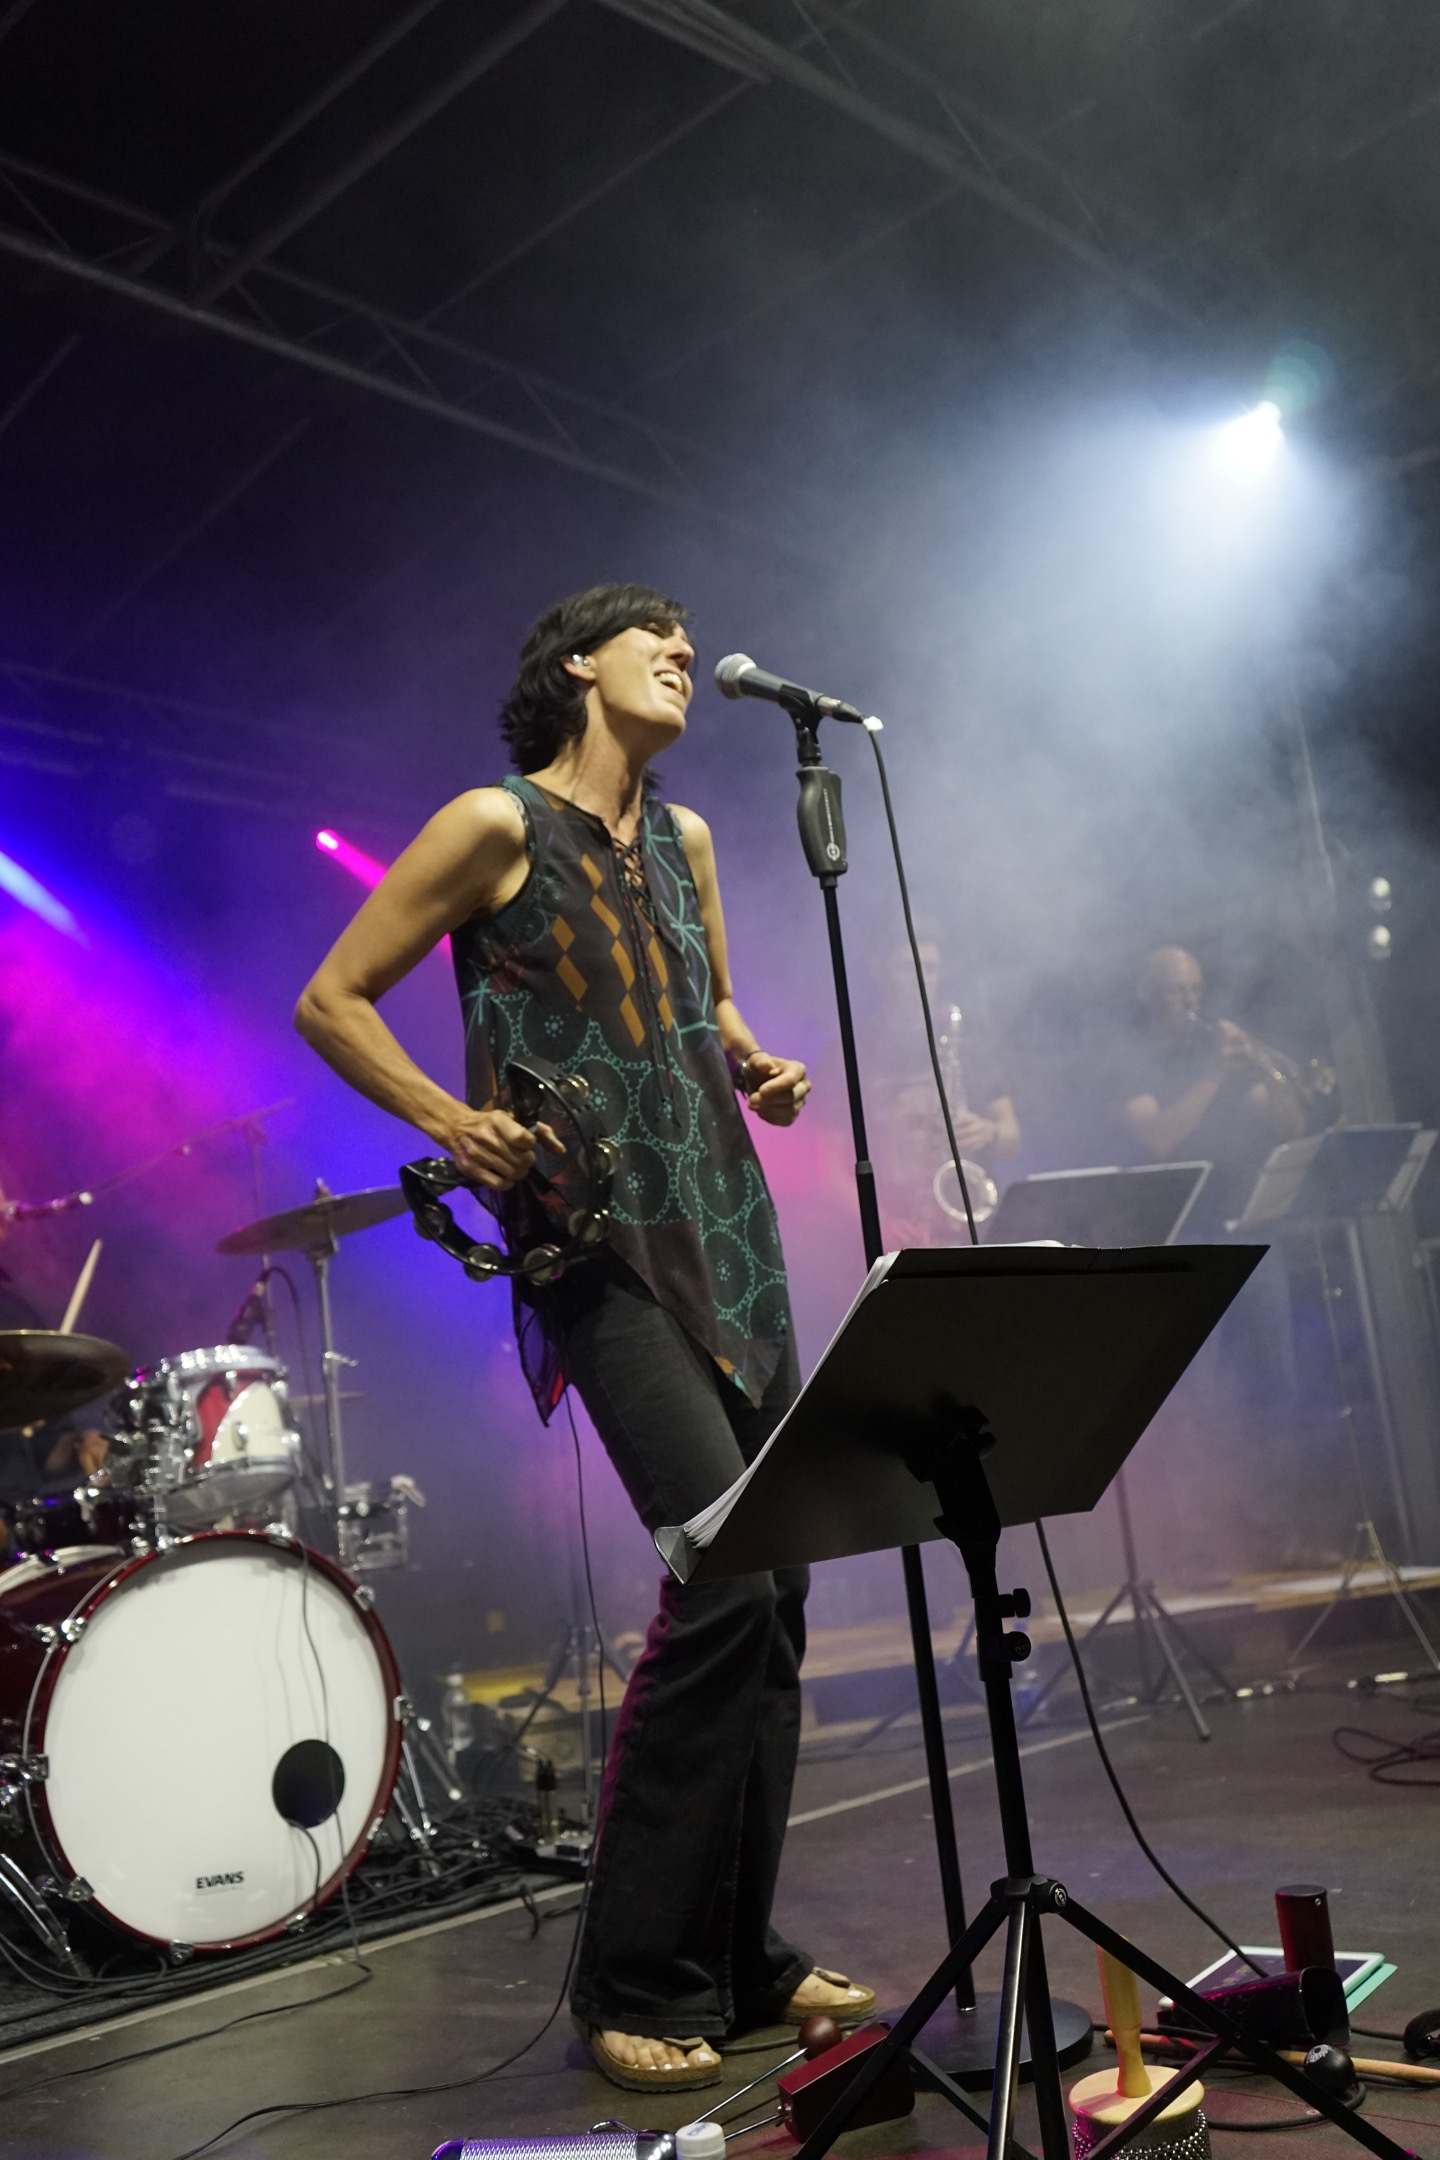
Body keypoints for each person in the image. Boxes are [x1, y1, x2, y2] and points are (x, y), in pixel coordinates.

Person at [294, 583, 873, 2093]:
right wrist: (450, 1118)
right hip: (597, 1247)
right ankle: (633, 1979)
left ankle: (738, 1960)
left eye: (688, 637)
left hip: (727, 1233)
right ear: (577, 665)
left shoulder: (686, 841)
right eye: (654, 636)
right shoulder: (494, 825)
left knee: (780, 1582)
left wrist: (755, 1063)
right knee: (722, 1580)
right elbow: (331, 1000)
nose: (684, 651)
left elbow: (708, 1005)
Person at [1118, 945, 1306, 1238]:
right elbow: (1156, 1142)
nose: (1189, 1002)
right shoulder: (1130, 1061)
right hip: (1175, 1229)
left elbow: (1289, 1129)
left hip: (1240, 1222)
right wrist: (1214, 1072)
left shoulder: (1211, 1050)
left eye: (1195, 990)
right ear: (1145, 992)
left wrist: (1268, 1073)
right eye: (1176, 990)